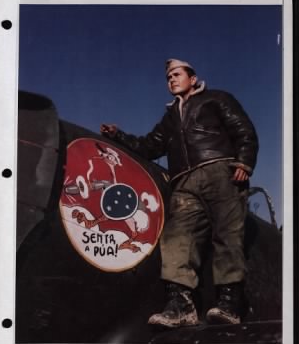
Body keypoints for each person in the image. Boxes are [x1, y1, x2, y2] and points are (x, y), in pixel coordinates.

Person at [100, 58, 259, 328]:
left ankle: (230, 305)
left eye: (176, 74)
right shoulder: (170, 118)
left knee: (227, 236)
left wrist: (244, 162)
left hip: (219, 170)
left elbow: (243, 130)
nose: (171, 80)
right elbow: (150, 146)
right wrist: (119, 136)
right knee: (177, 239)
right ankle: (181, 307)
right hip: (183, 181)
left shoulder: (216, 99)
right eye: (168, 77)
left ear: (193, 79)